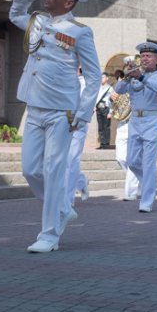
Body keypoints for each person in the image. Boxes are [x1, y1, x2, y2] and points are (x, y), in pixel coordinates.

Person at [10, 0, 100, 252]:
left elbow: (94, 76)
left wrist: (82, 114)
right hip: (34, 105)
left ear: (68, 3)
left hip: (61, 110)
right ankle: (62, 208)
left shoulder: (80, 32)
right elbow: (15, 15)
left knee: (53, 169)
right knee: (31, 170)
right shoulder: (36, 22)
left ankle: (49, 235)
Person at [115, 43, 157, 213]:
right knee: (131, 160)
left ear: (156, 58)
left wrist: (141, 78)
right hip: (135, 120)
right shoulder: (134, 75)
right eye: (143, 56)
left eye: (148, 56)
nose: (145, 59)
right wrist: (126, 75)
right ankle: (150, 181)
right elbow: (119, 89)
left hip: (153, 120)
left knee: (148, 161)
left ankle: (146, 201)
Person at [110, 66, 140, 201]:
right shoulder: (120, 85)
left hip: (135, 122)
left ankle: (131, 191)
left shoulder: (140, 83)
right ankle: (143, 178)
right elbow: (112, 104)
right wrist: (112, 98)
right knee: (120, 158)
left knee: (132, 158)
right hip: (122, 122)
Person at [67, 67, 91, 207]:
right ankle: (81, 182)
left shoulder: (84, 83)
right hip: (60, 124)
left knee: (71, 162)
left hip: (77, 125)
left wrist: (78, 120)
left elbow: (86, 105)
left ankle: (68, 200)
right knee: (63, 162)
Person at [95, 72, 113, 149]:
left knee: (106, 126)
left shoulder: (110, 88)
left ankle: (106, 143)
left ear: (107, 78)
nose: (101, 79)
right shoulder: (98, 87)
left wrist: (110, 112)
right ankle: (102, 143)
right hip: (98, 108)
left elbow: (112, 101)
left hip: (106, 108)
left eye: (103, 77)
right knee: (100, 127)